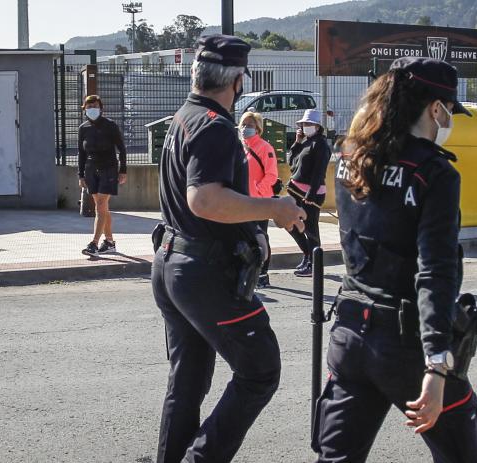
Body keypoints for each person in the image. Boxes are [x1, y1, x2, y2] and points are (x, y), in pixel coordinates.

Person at [311, 57, 477, 462]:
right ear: (434, 108)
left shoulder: (352, 158)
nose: (449, 120)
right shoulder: (435, 173)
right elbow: (435, 270)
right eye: (448, 111)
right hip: (405, 345)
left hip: (351, 331)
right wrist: (438, 364)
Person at [151, 34, 306, 463]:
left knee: (187, 381)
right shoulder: (216, 128)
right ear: (238, 80)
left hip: (172, 263)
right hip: (203, 271)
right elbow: (205, 199)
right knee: (260, 370)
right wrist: (275, 208)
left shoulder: (184, 116)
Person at [77, 94, 127, 256]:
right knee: (103, 207)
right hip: (91, 169)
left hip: (109, 169)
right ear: (84, 109)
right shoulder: (83, 128)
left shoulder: (110, 126)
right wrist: (81, 175)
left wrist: (123, 170)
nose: (92, 109)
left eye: (95, 106)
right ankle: (110, 242)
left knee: (100, 206)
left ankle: (94, 244)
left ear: (101, 108)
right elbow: (81, 153)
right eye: (89, 107)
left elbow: (122, 148)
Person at [286, 109, 331, 277]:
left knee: (311, 229)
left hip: (310, 194)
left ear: (318, 126)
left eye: (310, 124)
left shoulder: (321, 144)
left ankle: (314, 263)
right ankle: (307, 254)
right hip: (295, 191)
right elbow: (292, 163)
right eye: (304, 124)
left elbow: (319, 172)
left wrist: (310, 196)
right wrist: (297, 142)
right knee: (290, 223)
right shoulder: (305, 142)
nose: (306, 126)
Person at [239, 111, 278, 288]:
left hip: (260, 201)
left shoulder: (265, 148)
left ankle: (263, 273)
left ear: (258, 129)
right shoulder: (239, 148)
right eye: (243, 124)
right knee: (245, 236)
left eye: (250, 125)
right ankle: (249, 270)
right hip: (242, 201)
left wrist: (256, 191)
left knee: (261, 237)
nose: (245, 128)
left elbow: (271, 175)